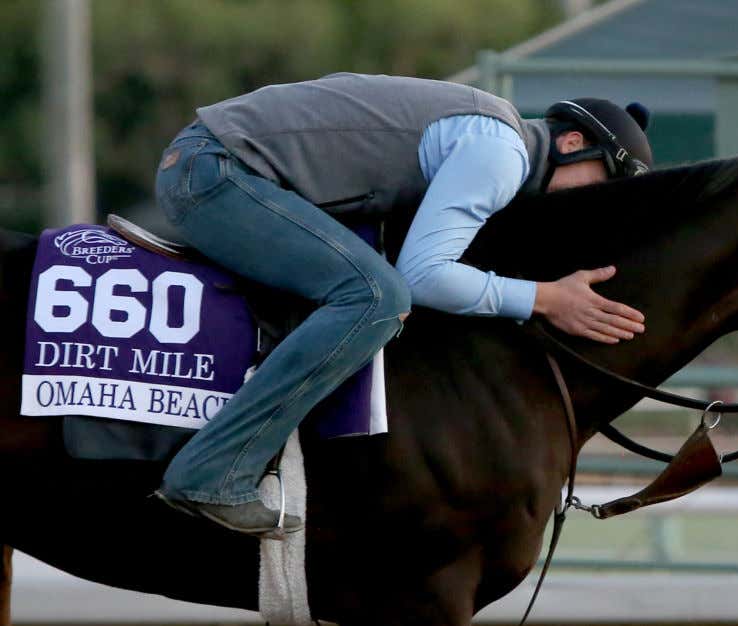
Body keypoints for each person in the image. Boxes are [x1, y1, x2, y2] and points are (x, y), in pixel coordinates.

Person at [153, 72, 653, 538]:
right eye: (601, 181)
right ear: (571, 144)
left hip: (218, 160)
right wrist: (543, 298)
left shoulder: (495, 135)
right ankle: (212, 472)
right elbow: (423, 276)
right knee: (375, 297)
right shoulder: (500, 153)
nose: (596, 200)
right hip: (215, 172)